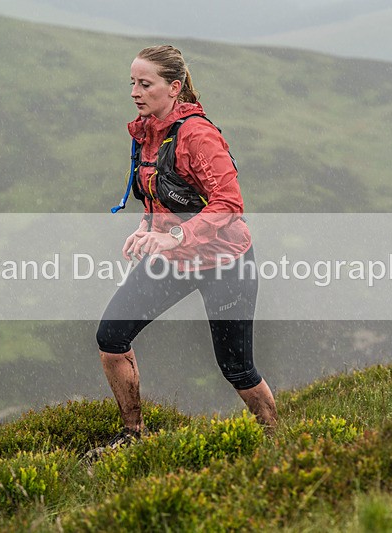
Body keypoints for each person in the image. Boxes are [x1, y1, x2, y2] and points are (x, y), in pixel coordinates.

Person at [96, 45, 277, 447]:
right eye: (132, 83)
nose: (135, 92)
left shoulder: (198, 135)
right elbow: (163, 194)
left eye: (145, 84)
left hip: (225, 262)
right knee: (111, 337)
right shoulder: (146, 132)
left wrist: (173, 236)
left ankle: (279, 442)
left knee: (237, 368)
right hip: (172, 259)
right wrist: (147, 227)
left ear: (174, 87)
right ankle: (132, 435)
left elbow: (229, 204)